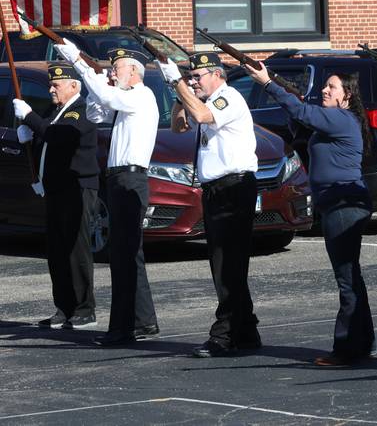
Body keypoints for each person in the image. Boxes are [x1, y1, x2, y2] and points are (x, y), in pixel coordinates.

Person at [244, 62, 376, 366]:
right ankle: (361, 341)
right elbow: (300, 121)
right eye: (325, 86)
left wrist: (269, 84)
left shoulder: (342, 118)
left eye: (331, 87)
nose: (325, 91)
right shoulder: (336, 119)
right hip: (337, 203)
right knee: (351, 276)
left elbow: (304, 114)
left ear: (347, 96)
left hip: (344, 204)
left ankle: (347, 348)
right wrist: (291, 98)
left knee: (346, 278)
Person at [54, 42, 160, 346]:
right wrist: (98, 81)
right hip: (119, 180)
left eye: (117, 69)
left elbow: (105, 95)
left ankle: (122, 329)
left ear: (135, 73)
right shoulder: (124, 98)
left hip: (130, 180)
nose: (113, 73)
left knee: (123, 258)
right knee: (130, 256)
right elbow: (96, 111)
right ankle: (143, 321)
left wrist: (81, 63)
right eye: (112, 69)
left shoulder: (141, 95)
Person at [158, 52, 261, 358]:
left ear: (217, 74)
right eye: (191, 77)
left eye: (198, 76)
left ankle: (224, 335)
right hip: (216, 190)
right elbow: (179, 127)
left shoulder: (227, 98)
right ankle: (246, 330)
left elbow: (202, 116)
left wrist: (179, 84)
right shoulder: (206, 99)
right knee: (227, 264)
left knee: (226, 264)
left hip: (233, 188)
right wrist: (179, 93)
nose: (194, 81)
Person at [13, 63, 99, 330]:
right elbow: (48, 139)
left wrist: (29, 117)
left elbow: (58, 137)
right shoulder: (57, 110)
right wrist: (29, 138)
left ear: (74, 86)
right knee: (57, 251)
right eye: (51, 84)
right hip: (56, 190)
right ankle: (64, 307)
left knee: (76, 250)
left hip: (78, 188)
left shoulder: (79, 111)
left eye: (56, 85)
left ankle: (85, 309)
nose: (51, 88)